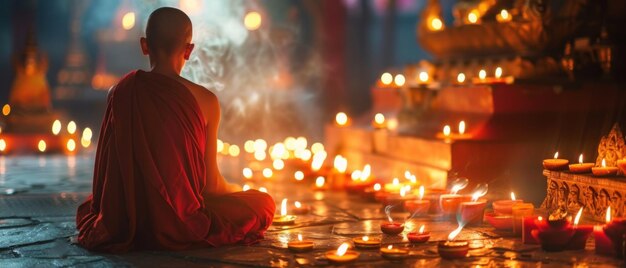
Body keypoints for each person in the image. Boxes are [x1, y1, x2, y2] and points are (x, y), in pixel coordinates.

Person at [76, 7, 275, 252]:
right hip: (183, 220)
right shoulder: (206, 100)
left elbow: (105, 180)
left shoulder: (120, 93)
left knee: (92, 205)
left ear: (144, 45)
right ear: (189, 50)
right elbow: (210, 186)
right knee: (263, 203)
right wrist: (238, 190)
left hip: (127, 218)